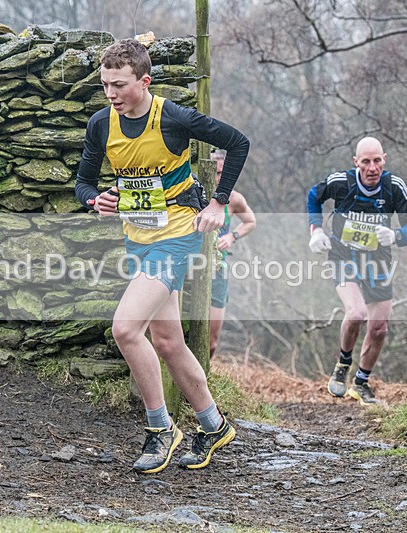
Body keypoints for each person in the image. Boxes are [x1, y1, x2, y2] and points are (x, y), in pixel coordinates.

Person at [75, 38, 249, 473]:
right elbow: (83, 182)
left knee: (125, 328)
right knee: (168, 342)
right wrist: (96, 200)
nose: (110, 94)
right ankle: (213, 424)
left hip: (177, 234)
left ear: (144, 81)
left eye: (118, 85)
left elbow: (238, 142)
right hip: (139, 237)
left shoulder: (172, 117)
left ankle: (160, 429)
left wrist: (219, 202)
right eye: (105, 85)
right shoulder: (102, 124)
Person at [306, 137, 407, 405]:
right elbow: (314, 196)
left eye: (377, 160)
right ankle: (343, 364)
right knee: (356, 313)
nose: (372, 167)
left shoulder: (394, 187)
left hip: (378, 261)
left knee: (379, 328)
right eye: (366, 161)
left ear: (384, 159)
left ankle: (361, 383)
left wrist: (395, 235)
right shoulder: (341, 182)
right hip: (343, 255)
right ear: (355, 162)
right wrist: (317, 229)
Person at [208, 149, 256, 358]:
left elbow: (251, 221)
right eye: (215, 172)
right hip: (192, 268)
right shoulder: (195, 195)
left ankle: (203, 380)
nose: (219, 178)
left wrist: (232, 236)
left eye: (223, 173)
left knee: (211, 340)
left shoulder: (234, 199)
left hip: (218, 271)